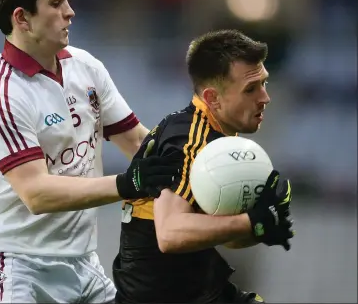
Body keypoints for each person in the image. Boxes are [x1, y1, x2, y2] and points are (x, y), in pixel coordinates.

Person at [0, 0, 180, 303]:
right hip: (14, 266)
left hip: (81, 266)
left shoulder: (85, 67)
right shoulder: (1, 93)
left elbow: (140, 143)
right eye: (55, 2)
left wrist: (204, 174)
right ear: (21, 18)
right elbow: (37, 193)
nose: (71, 11)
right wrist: (127, 184)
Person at [113, 29, 294, 304]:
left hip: (194, 287)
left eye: (264, 83)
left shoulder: (215, 134)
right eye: (251, 89)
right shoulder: (191, 140)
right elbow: (170, 234)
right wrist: (250, 221)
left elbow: (225, 236)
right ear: (213, 98)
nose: (265, 97)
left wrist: (262, 225)